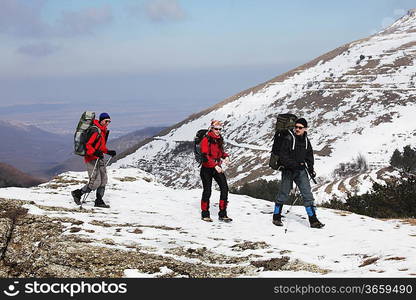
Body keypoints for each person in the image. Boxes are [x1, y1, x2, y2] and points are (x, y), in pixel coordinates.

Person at [272, 118, 324, 228]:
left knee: (307, 195)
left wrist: (311, 168)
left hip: (301, 171)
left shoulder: (306, 140)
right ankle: (276, 216)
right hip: (288, 170)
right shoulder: (288, 138)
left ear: (305, 129)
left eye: (300, 127)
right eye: (296, 127)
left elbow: (309, 155)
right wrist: (295, 165)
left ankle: (313, 220)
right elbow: (283, 156)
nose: (297, 129)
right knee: (284, 193)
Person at [71, 112, 117, 208]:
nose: (107, 123)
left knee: (103, 180)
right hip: (91, 158)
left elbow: (101, 146)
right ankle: (78, 193)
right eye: (106, 121)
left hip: (99, 158)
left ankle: (99, 201)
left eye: (109, 121)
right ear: (101, 120)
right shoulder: (95, 130)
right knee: (95, 182)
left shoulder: (103, 130)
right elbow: (88, 145)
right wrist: (95, 152)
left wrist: (108, 152)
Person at [200, 120, 232, 222]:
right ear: (211, 128)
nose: (218, 131)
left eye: (220, 129)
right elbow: (205, 156)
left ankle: (223, 214)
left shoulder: (219, 139)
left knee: (224, 188)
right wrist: (215, 165)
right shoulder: (206, 139)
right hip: (207, 169)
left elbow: (220, 152)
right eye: (216, 129)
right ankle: (205, 214)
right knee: (207, 190)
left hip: (216, 167)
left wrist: (226, 157)